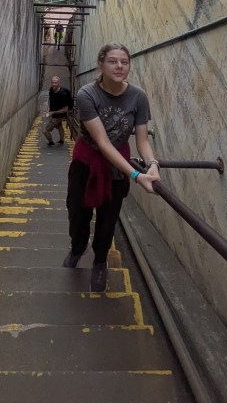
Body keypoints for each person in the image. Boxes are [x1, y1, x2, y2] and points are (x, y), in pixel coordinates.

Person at [62, 43, 160, 293]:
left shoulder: (138, 96)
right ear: (101, 65)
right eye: (113, 61)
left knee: (108, 221)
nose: (119, 66)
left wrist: (153, 164)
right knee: (77, 215)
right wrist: (137, 175)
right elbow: (103, 143)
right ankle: (78, 246)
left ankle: (99, 261)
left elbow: (142, 140)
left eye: (124, 62)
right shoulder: (87, 94)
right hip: (87, 163)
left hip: (118, 169)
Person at [43, 76, 73, 147]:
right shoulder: (51, 90)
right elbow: (50, 100)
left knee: (45, 131)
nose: (54, 84)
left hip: (59, 115)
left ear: (59, 83)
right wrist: (48, 110)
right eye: (52, 82)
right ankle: (62, 140)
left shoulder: (63, 94)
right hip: (54, 113)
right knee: (59, 126)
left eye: (55, 83)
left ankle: (51, 142)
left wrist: (52, 112)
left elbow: (65, 109)